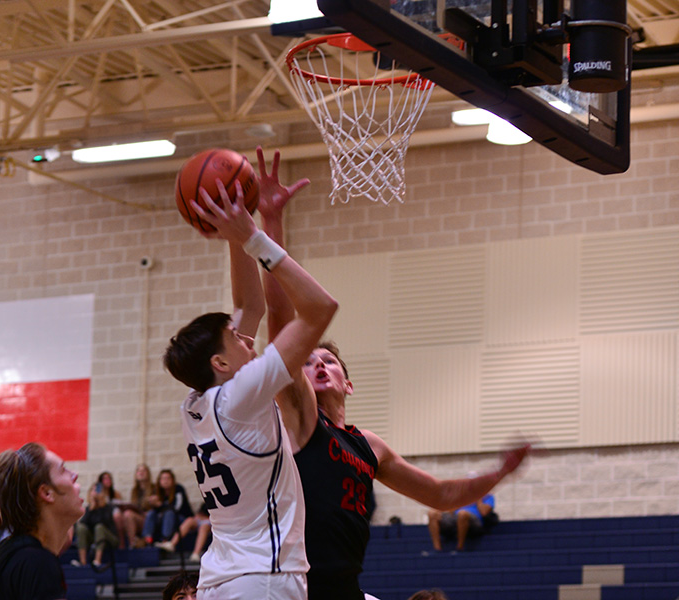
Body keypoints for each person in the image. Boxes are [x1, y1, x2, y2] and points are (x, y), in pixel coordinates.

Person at [257, 156, 530, 600]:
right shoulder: (301, 416)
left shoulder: (370, 445)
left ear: (348, 383)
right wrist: (270, 220)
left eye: (330, 362)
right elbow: (282, 315)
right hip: (295, 583)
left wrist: (499, 473)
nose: (319, 365)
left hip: (345, 584)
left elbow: (442, 495)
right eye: (310, 361)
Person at [163, 147, 337, 600]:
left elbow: (248, 308)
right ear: (220, 363)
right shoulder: (241, 395)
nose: (248, 339)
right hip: (263, 578)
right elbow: (320, 308)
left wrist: (232, 230)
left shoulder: (197, 402)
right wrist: (254, 238)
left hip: (221, 578)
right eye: (237, 339)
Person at [0, 442, 84, 600]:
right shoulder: (37, 563)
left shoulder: (12, 553)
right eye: (63, 470)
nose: (74, 475)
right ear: (46, 493)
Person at [427, 487, 497, 552]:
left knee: (462, 514)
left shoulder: (487, 496)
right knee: (432, 513)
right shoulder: (462, 496)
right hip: (456, 518)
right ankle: (437, 549)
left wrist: (478, 498)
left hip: (475, 520)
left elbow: (484, 512)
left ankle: (460, 547)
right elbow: (450, 511)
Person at [74, 471, 121, 566]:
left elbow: (103, 523)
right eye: (93, 490)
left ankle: (97, 560)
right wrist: (92, 508)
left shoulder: (108, 507)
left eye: (97, 491)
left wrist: (99, 504)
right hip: (95, 538)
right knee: (80, 527)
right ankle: (82, 561)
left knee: (99, 527)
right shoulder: (88, 508)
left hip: (109, 538)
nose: (95, 493)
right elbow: (84, 524)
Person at [143, 470, 193, 550]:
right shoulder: (157, 491)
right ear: (159, 481)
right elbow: (155, 511)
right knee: (151, 513)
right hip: (163, 519)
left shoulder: (178, 489)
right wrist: (151, 504)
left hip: (180, 518)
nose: (165, 481)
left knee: (169, 513)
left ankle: (165, 540)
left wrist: (160, 505)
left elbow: (176, 508)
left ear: (173, 480)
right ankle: (147, 539)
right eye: (163, 479)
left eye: (168, 478)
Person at [122, 464, 155, 549]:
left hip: (150, 520)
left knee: (129, 514)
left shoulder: (153, 488)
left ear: (148, 474)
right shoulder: (135, 490)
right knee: (127, 514)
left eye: (143, 471)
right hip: (139, 517)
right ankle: (132, 543)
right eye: (139, 471)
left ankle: (136, 542)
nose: (141, 473)